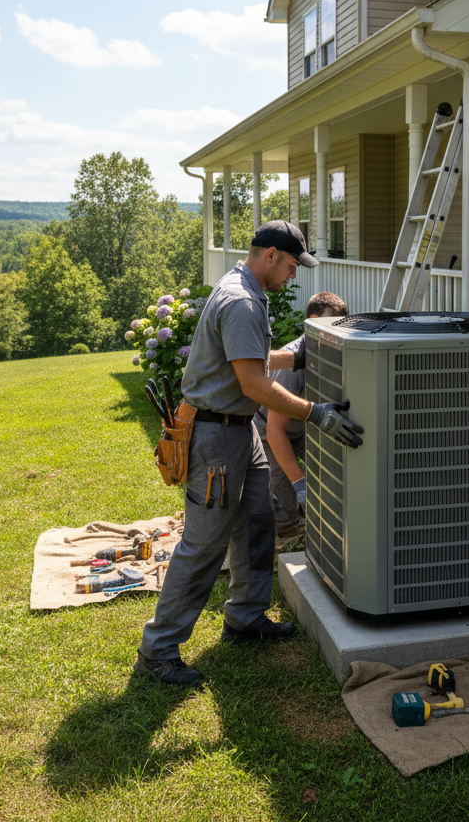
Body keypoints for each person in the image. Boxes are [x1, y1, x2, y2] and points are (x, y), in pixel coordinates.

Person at [134, 221, 363, 687]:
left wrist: (296, 357)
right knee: (204, 544)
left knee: (258, 522)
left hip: (240, 433)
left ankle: (245, 617)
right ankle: (158, 649)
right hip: (216, 436)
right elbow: (252, 384)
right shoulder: (240, 301)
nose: (295, 277)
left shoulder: (245, 288)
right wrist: (316, 413)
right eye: (294, 266)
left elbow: (252, 361)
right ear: (273, 255)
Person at [256, 291, 348, 543]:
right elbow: (276, 430)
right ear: (314, 321)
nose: (339, 333)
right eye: (333, 326)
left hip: (308, 427)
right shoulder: (291, 363)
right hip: (270, 434)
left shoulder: (334, 352)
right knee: (284, 521)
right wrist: (300, 484)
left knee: (335, 478)